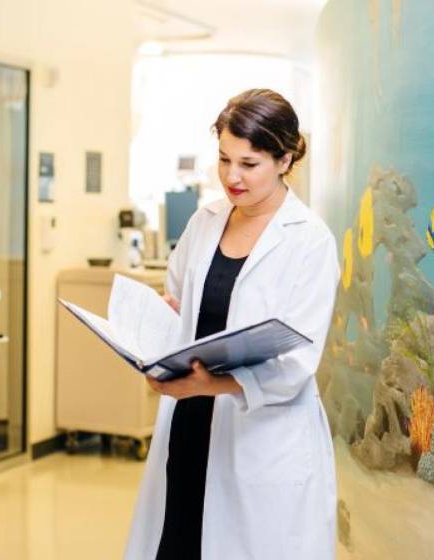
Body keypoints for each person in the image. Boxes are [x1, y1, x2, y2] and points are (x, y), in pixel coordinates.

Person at [124, 89, 339, 560]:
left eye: (249, 163)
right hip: (190, 422)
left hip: (260, 431)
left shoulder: (310, 242)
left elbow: (297, 362)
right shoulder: (205, 222)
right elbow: (180, 300)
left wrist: (216, 383)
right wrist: (156, 323)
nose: (232, 177)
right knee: (177, 541)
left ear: (285, 159)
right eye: (224, 159)